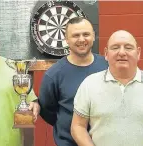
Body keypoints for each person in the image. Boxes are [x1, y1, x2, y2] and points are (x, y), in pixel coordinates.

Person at [38, 17, 108, 146]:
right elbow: (48, 111)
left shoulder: (108, 67)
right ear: (66, 39)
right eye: (76, 35)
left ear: (93, 36)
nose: (81, 39)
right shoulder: (54, 75)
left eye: (86, 34)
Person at [71, 30, 143, 146]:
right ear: (106, 53)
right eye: (115, 48)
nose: (122, 52)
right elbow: (78, 126)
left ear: (138, 53)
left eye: (128, 47)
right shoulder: (90, 84)